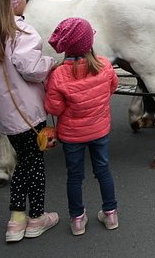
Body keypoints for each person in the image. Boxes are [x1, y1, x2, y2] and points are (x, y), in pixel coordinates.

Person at [0, 0, 59, 243]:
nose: (25, 0)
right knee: (34, 166)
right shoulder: (23, 34)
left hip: (5, 116)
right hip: (29, 114)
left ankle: (16, 220)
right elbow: (32, 70)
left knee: (24, 164)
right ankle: (36, 217)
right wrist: (51, 62)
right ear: (13, 3)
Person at [45, 18, 119, 235]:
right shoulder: (104, 65)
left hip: (72, 136)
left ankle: (77, 220)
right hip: (100, 130)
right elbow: (112, 87)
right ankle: (111, 214)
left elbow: (54, 108)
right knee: (103, 171)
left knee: (75, 176)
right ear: (90, 43)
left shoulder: (59, 75)